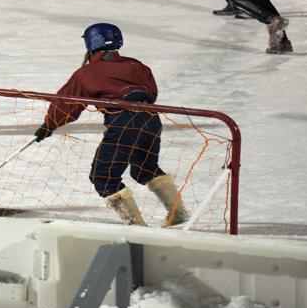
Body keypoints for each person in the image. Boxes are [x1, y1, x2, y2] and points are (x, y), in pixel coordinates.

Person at [32, 23, 189, 227]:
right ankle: (178, 212)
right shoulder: (137, 65)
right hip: (151, 119)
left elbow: (66, 103)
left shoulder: (87, 72)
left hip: (123, 122)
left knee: (103, 177)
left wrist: (48, 126)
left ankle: (136, 225)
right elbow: (151, 92)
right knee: (145, 169)